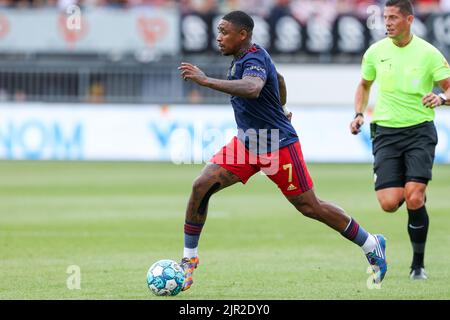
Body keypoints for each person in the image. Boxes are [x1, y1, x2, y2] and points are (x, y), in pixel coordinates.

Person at [178, 10, 387, 292]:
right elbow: (280, 79)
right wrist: (283, 108)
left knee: (310, 206)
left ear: (243, 35)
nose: (219, 37)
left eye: (224, 32)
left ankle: (371, 243)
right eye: (218, 31)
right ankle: (189, 260)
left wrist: (205, 81)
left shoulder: (252, 58)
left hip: (277, 144)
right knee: (201, 185)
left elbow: (252, 88)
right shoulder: (245, 58)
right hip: (247, 143)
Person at [350, 0, 450, 280]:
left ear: (409, 20)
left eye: (393, 17)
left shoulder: (429, 54)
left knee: (414, 197)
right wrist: (359, 113)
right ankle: (411, 188)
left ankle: (418, 265)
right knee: (389, 203)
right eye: (385, 17)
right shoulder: (375, 52)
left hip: (420, 131)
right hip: (385, 133)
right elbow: (364, 84)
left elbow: (449, 87)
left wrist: (441, 98)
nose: (388, 22)